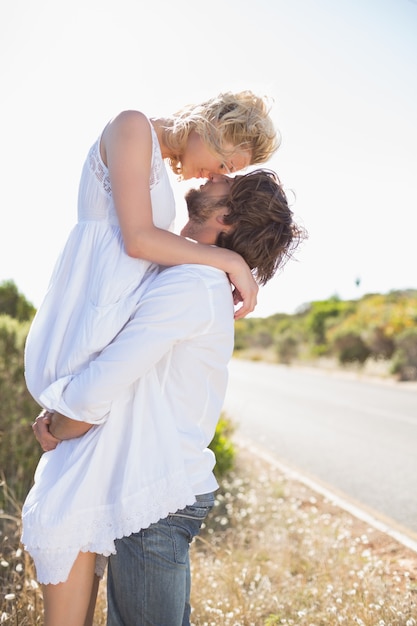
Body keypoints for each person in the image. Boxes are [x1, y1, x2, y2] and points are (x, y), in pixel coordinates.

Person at [25, 168, 306, 626]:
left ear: (226, 218)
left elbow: (99, 389)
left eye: (228, 183)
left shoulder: (191, 284)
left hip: (153, 503)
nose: (218, 173)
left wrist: (56, 425)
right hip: (146, 493)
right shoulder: (187, 275)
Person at [25, 90, 279, 410]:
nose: (218, 175)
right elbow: (139, 240)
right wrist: (231, 260)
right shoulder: (133, 126)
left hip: (105, 324)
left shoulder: (151, 154)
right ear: (215, 127)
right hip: (84, 321)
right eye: (225, 163)